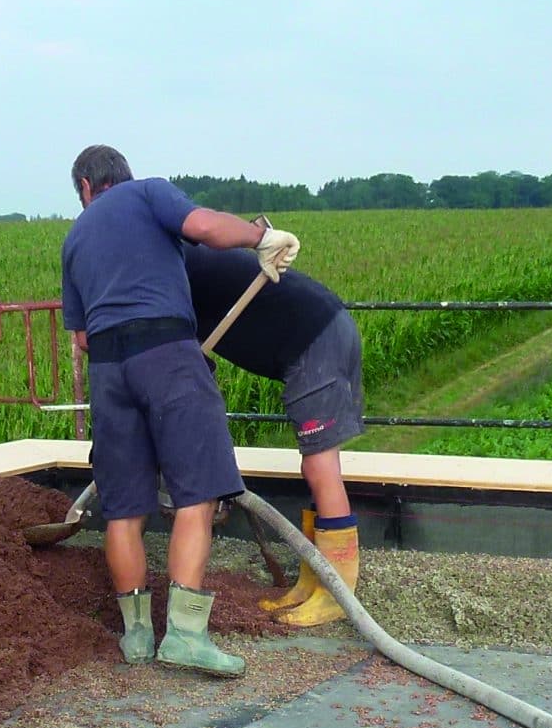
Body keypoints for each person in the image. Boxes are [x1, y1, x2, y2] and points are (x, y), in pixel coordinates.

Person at [59, 144, 300, 677]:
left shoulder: (75, 237)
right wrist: (263, 237)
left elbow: (79, 336)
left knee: (124, 508)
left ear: (84, 188)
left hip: (107, 371)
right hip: (167, 355)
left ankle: (138, 637)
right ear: (123, 176)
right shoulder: (148, 192)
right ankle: (186, 636)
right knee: (197, 490)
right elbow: (205, 227)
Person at [180, 244, 363, 626]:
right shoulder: (183, 258)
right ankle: (314, 579)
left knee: (319, 465)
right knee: (314, 467)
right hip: (315, 333)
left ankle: (336, 593)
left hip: (315, 337)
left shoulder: (173, 267)